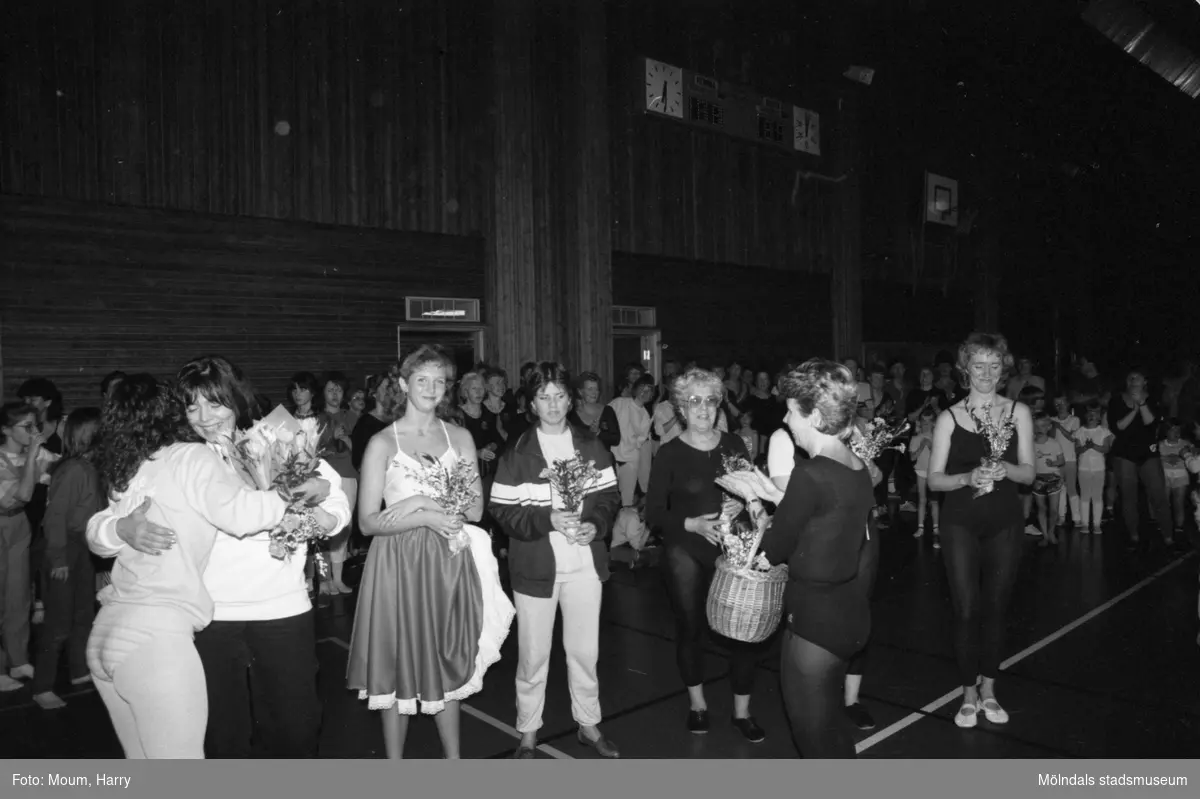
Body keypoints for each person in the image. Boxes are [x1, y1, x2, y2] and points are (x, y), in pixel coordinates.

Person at [90, 356, 349, 757]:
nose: (205, 417)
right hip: (210, 616)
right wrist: (120, 529)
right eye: (192, 406)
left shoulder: (279, 435)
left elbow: (335, 501)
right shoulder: (176, 456)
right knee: (221, 736)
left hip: (281, 609)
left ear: (236, 398)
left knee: (295, 730)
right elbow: (102, 522)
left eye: (215, 403)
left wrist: (319, 516)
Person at [346, 346, 513, 760]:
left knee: (447, 659)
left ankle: (454, 765)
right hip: (398, 565)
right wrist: (421, 515)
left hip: (448, 562)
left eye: (440, 381)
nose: (432, 388)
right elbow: (367, 522)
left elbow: (474, 509)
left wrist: (422, 502)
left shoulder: (459, 436)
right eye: (422, 379)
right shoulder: (382, 442)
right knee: (398, 665)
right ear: (404, 384)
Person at [724, 360, 877, 758]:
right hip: (850, 613)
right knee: (831, 729)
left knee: (812, 739)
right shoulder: (858, 467)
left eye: (793, 410)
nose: (787, 419)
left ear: (813, 414)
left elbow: (775, 547)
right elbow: (823, 525)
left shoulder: (811, 473)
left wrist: (758, 508)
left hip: (815, 621)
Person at [489, 362, 622, 758]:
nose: (552, 404)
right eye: (544, 397)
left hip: (584, 566)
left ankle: (589, 723)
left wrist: (595, 526)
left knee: (585, 651)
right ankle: (528, 731)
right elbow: (502, 510)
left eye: (559, 396)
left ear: (571, 399)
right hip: (536, 568)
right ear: (532, 403)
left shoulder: (591, 445)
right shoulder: (518, 451)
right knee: (533, 655)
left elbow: (609, 498)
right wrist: (546, 518)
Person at [644, 368, 765, 742]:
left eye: (710, 401)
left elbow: (750, 494)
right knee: (690, 629)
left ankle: (742, 712)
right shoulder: (669, 453)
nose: (702, 409)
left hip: (731, 548)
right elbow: (652, 514)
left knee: (742, 634)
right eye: (694, 401)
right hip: (686, 547)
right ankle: (698, 704)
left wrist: (752, 509)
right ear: (681, 407)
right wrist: (691, 524)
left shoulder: (734, 444)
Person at [927, 332, 1034, 730]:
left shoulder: (1017, 412)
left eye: (994, 366)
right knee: (967, 609)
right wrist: (968, 477)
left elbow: (1029, 472)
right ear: (965, 369)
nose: (986, 373)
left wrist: (1005, 470)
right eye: (978, 365)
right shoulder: (949, 417)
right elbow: (934, 481)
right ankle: (967, 692)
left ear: (1003, 370)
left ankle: (989, 688)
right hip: (960, 522)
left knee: (996, 608)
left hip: (1004, 520)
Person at [31, 408, 104, 710]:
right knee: (59, 621)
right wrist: (58, 558)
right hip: (63, 548)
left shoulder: (88, 467)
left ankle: (78, 671)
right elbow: (55, 516)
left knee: (83, 613)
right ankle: (42, 686)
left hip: (83, 546)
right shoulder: (75, 469)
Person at [0, 402, 58, 692]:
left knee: (19, 595)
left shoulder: (32, 453)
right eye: (27, 427)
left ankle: (18, 658)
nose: (35, 433)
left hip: (19, 526)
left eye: (36, 426)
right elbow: (22, 494)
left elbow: (60, 465)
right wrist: (35, 456)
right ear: (5, 430)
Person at [1108, 368, 1174, 548]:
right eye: (1129, 378)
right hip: (1124, 454)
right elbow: (1118, 427)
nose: (1132, 380)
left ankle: (1168, 535)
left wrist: (1142, 404)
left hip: (1147, 453)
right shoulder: (1116, 400)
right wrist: (1134, 408)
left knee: (1158, 494)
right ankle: (1134, 535)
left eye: (1136, 378)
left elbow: (1151, 425)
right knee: (1129, 497)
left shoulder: (1153, 399)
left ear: (1145, 381)